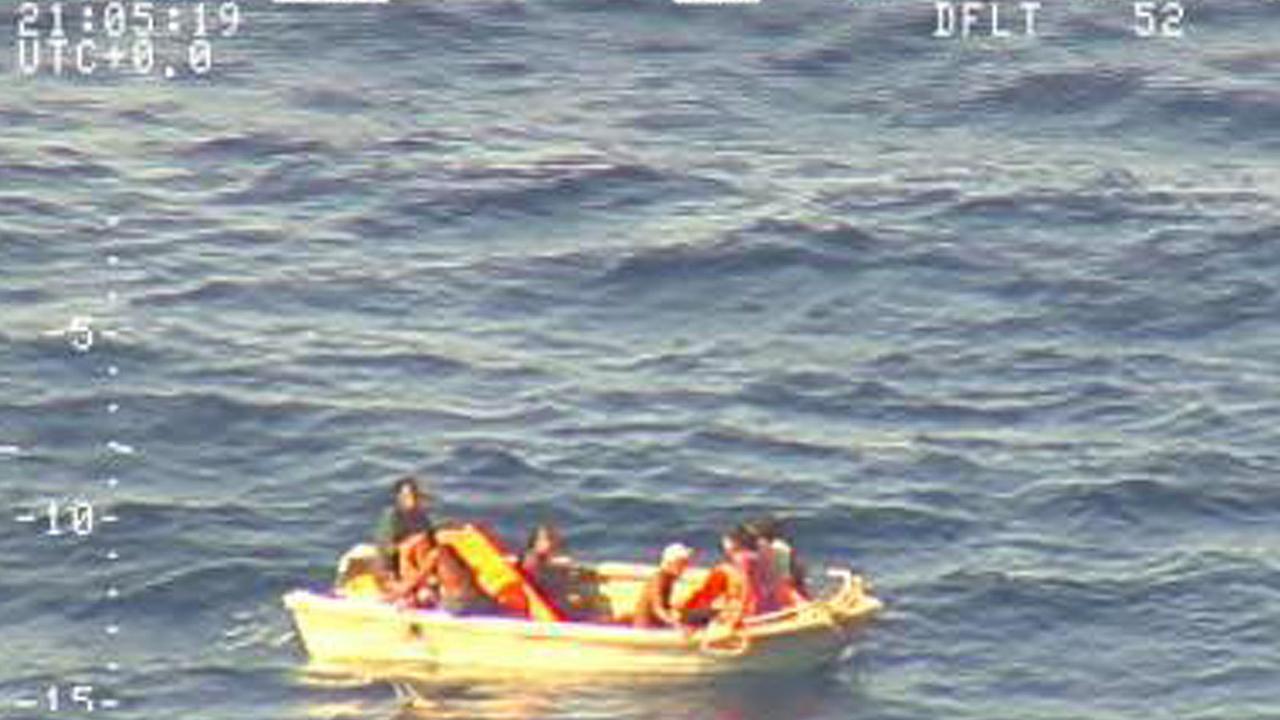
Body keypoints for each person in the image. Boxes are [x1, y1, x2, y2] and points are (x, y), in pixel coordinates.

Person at [679, 526, 767, 628]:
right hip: (758, 606)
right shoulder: (757, 557)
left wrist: (737, 616)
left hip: (745, 610)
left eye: (727, 541)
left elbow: (746, 587)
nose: (724, 544)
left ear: (736, 542)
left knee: (687, 616)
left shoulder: (741, 559)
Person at [394, 529, 498, 615]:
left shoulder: (436, 554)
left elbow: (415, 581)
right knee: (425, 596)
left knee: (423, 600)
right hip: (479, 602)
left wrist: (394, 595)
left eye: (417, 548)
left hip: (460, 605)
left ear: (425, 545)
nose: (416, 552)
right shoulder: (451, 553)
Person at [374, 476, 434, 576]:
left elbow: (431, 537)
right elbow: (386, 547)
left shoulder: (421, 515)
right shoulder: (392, 516)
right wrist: (411, 543)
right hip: (395, 566)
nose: (412, 498)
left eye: (414, 495)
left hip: (420, 563)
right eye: (406, 495)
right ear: (399, 497)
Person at [747, 516, 808, 608]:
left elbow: (783, 579)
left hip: (788, 591)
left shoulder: (779, 548)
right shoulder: (774, 547)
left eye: (755, 537)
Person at [633, 543, 694, 629]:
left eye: (686, 563)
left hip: (655, 624)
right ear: (671, 563)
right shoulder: (659, 579)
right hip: (648, 629)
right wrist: (677, 625)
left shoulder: (667, 578)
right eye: (682, 563)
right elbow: (658, 609)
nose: (686, 567)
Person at [518, 523, 568, 601]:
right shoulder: (525, 557)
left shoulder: (559, 561)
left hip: (550, 594)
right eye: (537, 539)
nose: (539, 543)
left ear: (551, 543)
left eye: (544, 539)